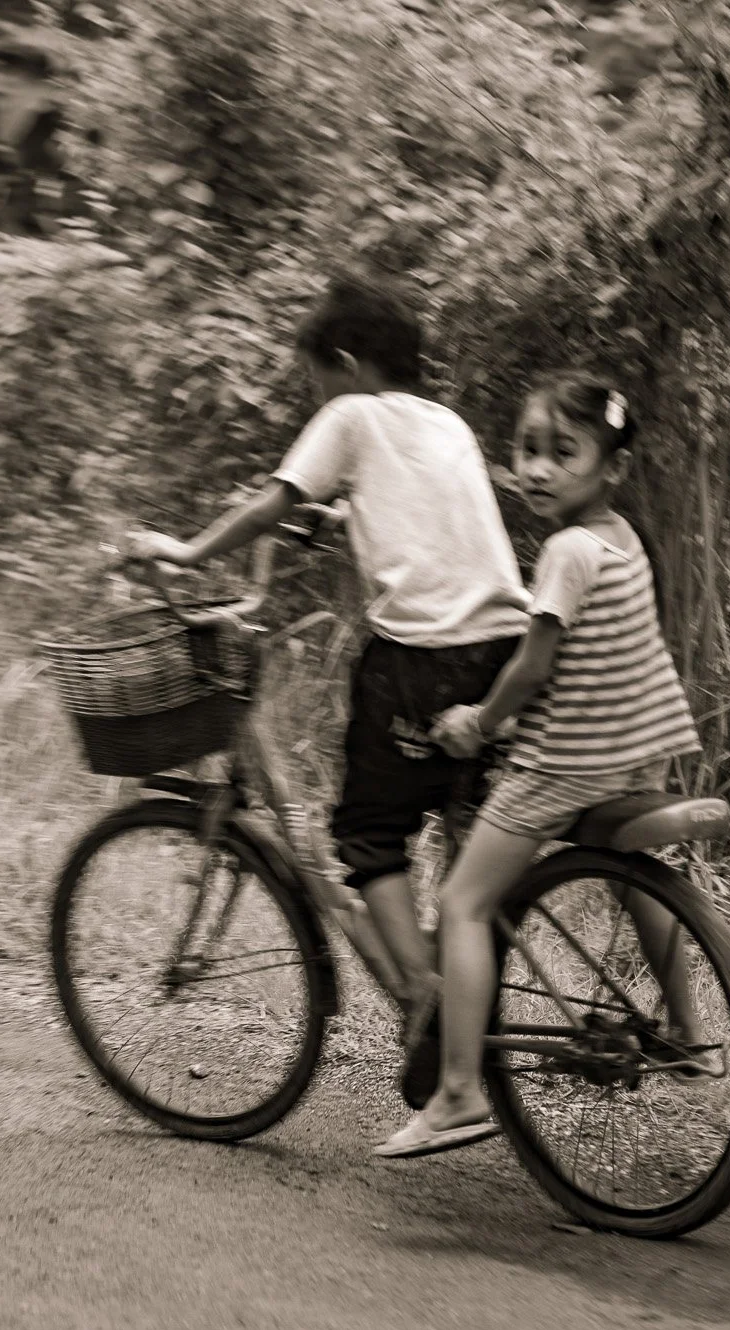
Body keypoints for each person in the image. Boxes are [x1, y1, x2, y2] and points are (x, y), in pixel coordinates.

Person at [128, 272, 529, 1047]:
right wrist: (342, 510)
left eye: (316, 377)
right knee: (456, 823)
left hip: (424, 655)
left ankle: (425, 1000)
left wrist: (185, 552)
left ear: (346, 363)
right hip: (501, 648)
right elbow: (417, 506)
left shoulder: (350, 413)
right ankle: (461, 992)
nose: (318, 393)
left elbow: (272, 500)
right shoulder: (447, 423)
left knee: (367, 833)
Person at [374, 373, 717, 1159]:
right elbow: (600, 661)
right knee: (636, 874)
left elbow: (534, 666)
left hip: (568, 767)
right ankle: (687, 1030)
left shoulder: (564, 551)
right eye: (528, 450)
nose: (537, 469)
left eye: (563, 453)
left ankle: (458, 1092)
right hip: (642, 748)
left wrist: (480, 720)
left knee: (462, 900)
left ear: (611, 467)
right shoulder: (622, 539)